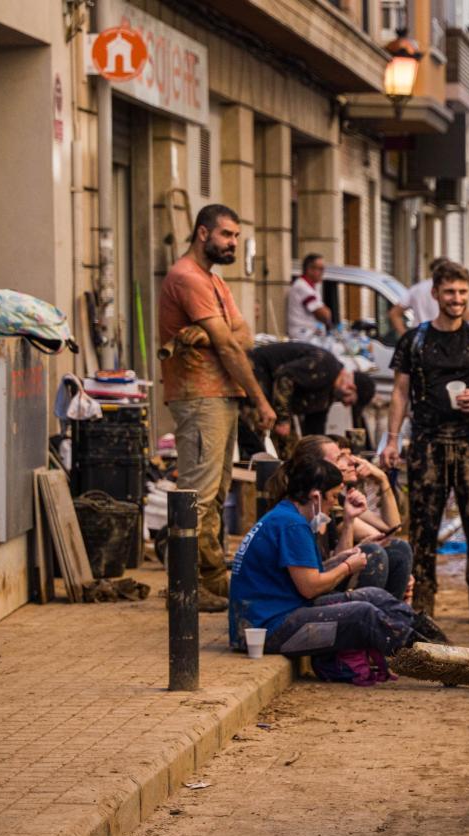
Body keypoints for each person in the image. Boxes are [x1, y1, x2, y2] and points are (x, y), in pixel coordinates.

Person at [158, 203, 276, 612]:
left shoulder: (214, 282)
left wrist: (209, 336)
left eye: (237, 237)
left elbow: (243, 335)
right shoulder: (187, 277)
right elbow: (229, 343)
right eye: (227, 235)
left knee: (215, 492)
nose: (233, 243)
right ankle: (185, 588)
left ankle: (210, 578)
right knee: (198, 496)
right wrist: (260, 399)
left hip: (218, 396)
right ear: (203, 233)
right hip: (199, 395)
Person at [381, 259, 469, 621]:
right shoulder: (415, 339)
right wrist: (391, 442)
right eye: (450, 292)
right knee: (422, 530)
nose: (456, 299)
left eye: (462, 292)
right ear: (435, 294)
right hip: (427, 445)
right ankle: (422, 608)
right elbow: (399, 393)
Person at [228, 456, 414, 663]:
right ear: (316, 497)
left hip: (273, 618)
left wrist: (339, 560)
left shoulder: (286, 516)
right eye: (333, 497)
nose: (334, 503)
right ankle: (426, 656)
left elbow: (304, 575)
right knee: (363, 614)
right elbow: (310, 587)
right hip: (268, 630)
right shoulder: (292, 525)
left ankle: (427, 642)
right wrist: (345, 567)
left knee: (375, 596)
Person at [247, 340, 356, 443]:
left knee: (290, 443)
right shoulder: (325, 367)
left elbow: (315, 424)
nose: (346, 404)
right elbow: (285, 377)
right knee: (262, 428)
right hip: (259, 371)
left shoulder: (331, 392)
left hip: (275, 389)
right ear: (351, 385)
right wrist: (283, 419)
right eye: (349, 399)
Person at [287, 253, 332, 339]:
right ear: (310, 269)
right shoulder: (302, 286)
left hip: (309, 335)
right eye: (321, 269)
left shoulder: (311, 286)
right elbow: (323, 315)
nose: (323, 273)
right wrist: (327, 312)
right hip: (303, 336)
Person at [402, 257, 448, 329]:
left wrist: (405, 335)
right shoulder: (450, 289)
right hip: (444, 332)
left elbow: (394, 313)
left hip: (420, 333)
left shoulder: (417, 288)